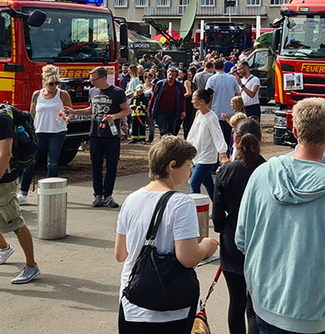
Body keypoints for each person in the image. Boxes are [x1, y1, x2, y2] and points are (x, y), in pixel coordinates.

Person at [236, 98, 325, 334]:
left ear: (294, 130)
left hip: (266, 302)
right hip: (316, 310)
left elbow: (242, 239)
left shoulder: (262, 174)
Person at [115, 136, 219, 332]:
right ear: (172, 166)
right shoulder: (181, 203)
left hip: (131, 302)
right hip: (169, 309)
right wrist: (206, 246)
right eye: (189, 164)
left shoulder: (131, 199)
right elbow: (187, 258)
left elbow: (121, 254)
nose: (191, 169)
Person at [214, 118, 266, 334]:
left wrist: (223, 227)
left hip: (232, 238)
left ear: (234, 139)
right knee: (255, 307)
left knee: (235, 302)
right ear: (261, 139)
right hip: (263, 240)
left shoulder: (227, 171)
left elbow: (217, 215)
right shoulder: (269, 170)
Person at [67, 66, 130, 208]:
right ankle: (98, 195)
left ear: (103, 78)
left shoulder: (117, 92)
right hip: (95, 134)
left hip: (111, 135)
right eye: (91, 80)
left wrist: (113, 116)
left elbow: (126, 110)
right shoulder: (92, 91)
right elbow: (91, 109)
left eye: (94, 80)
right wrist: (74, 111)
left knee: (111, 166)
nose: (92, 83)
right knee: (96, 166)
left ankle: (108, 195)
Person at [19, 65, 72, 203]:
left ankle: (50, 193)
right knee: (30, 162)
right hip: (39, 132)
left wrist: (67, 118)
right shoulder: (37, 94)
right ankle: (23, 193)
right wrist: (28, 129)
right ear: (44, 83)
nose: (54, 86)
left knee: (52, 163)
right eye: (51, 83)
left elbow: (70, 111)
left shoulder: (62, 94)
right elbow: (32, 112)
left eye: (57, 83)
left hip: (57, 132)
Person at [0, 106, 40, 284]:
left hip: (4, 180)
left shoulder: (3, 120)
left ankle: (31, 266)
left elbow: (5, 153)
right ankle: (4, 248)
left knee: (16, 223)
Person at [186, 88, 229, 198]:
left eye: (193, 99)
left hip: (207, 158)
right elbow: (193, 133)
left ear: (201, 101)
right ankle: (219, 208)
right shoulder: (198, 114)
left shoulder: (211, 117)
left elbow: (218, 136)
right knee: (209, 185)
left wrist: (223, 154)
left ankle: (195, 209)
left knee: (194, 182)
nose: (192, 101)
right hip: (197, 155)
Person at [206, 58, 242, 154]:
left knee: (216, 138)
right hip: (230, 112)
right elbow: (238, 94)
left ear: (214, 68)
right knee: (228, 138)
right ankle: (227, 156)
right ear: (224, 67)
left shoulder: (211, 79)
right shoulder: (232, 78)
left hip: (215, 112)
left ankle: (218, 159)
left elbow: (208, 97)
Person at [149, 67, 186, 138]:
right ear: (167, 74)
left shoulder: (179, 86)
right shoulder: (160, 84)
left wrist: (183, 111)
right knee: (163, 131)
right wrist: (150, 109)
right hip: (161, 111)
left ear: (176, 76)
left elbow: (182, 99)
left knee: (171, 132)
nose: (171, 76)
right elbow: (154, 97)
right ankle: (164, 145)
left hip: (173, 112)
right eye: (170, 74)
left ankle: (169, 147)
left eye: (173, 75)